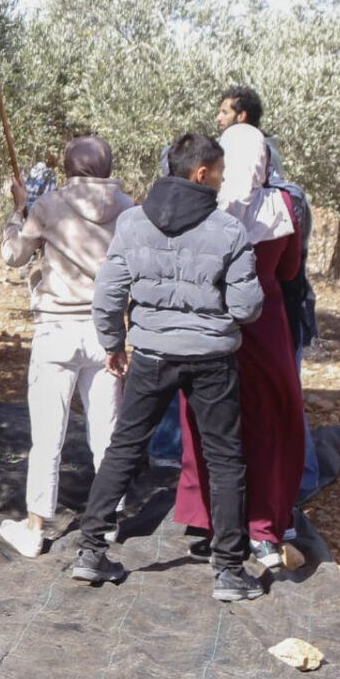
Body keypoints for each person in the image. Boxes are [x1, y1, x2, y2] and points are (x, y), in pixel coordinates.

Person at [68, 131, 264, 602]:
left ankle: (91, 551)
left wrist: (114, 343)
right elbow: (247, 307)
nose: (221, 180)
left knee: (124, 449)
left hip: (152, 355)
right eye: (219, 172)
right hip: (213, 361)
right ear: (201, 174)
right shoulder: (229, 230)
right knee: (225, 459)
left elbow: (108, 293)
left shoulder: (133, 224)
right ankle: (230, 571)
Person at [170, 121, 307, 570]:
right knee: (267, 423)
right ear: (265, 160)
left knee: (208, 418)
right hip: (264, 327)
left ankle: (207, 520)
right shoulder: (283, 206)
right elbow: (289, 273)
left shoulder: (201, 207)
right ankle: (263, 528)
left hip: (208, 323)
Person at [0, 136, 135, 557]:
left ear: (68, 168)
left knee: (47, 437)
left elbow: (14, 254)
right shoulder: (129, 209)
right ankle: (108, 520)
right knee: (107, 433)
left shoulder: (50, 205)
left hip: (56, 329)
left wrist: (17, 212)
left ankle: (36, 527)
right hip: (105, 333)